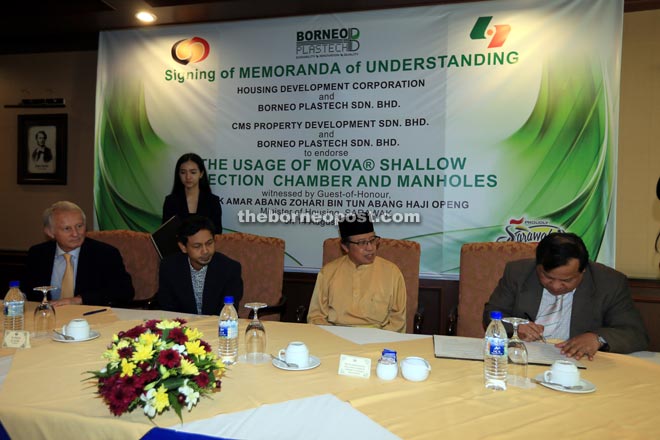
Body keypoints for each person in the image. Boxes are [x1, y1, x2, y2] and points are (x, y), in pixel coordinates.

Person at [483, 232, 649, 359]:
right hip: (524, 358)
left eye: (566, 280)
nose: (555, 286)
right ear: (537, 266)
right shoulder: (518, 273)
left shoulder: (609, 282)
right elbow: (491, 315)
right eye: (547, 277)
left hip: (579, 363)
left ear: (583, 271)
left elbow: (635, 333)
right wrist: (516, 328)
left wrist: (597, 338)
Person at [22, 201, 135, 307]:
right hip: (49, 317)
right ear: (50, 232)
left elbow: (124, 291)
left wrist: (79, 300)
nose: (76, 234)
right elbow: (25, 291)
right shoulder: (38, 254)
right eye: (67, 228)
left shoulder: (105, 254)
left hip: (89, 318)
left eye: (79, 226)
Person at [307, 214, 407, 333]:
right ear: (345, 247)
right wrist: (333, 336)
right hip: (335, 336)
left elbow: (398, 321)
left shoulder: (392, 272)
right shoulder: (328, 272)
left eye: (372, 240)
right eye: (362, 243)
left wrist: (379, 338)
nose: (370, 248)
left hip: (377, 337)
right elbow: (316, 317)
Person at [156, 215, 243, 314]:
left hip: (217, 327)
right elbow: (168, 310)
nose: (205, 251)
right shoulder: (169, 267)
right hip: (183, 326)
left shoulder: (230, 269)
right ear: (183, 247)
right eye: (197, 246)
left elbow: (228, 312)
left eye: (209, 243)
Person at [162, 153, 222, 234]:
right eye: (183, 172)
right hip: (178, 246)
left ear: (201, 174)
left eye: (193, 172)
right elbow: (166, 233)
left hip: (205, 246)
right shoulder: (171, 201)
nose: (188, 177)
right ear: (178, 174)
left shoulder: (212, 201)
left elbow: (217, 232)